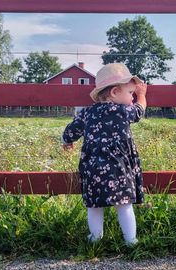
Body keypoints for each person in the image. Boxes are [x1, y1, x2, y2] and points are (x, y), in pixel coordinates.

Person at [62, 63, 147, 246]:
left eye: (133, 93)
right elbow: (140, 110)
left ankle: (95, 238)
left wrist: (67, 141)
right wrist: (142, 95)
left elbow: (72, 130)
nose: (132, 97)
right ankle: (130, 241)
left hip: (93, 166)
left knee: (94, 205)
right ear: (115, 92)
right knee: (124, 205)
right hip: (119, 167)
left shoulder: (87, 112)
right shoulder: (123, 111)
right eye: (130, 92)